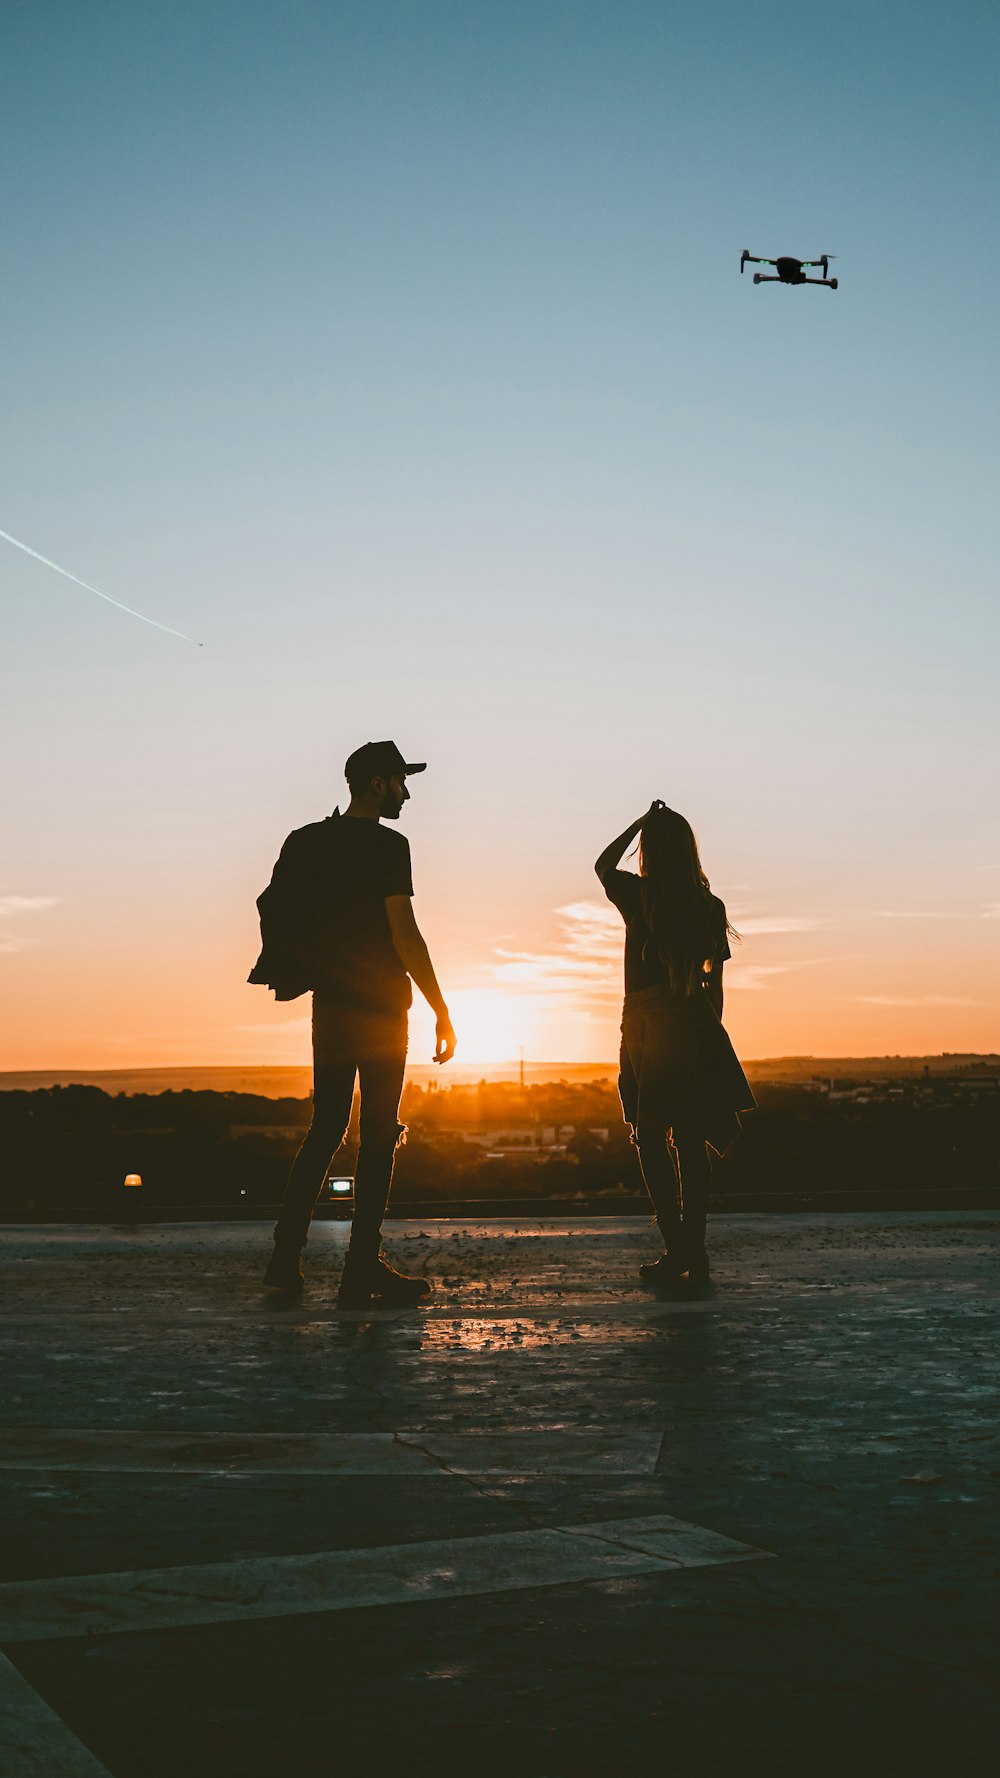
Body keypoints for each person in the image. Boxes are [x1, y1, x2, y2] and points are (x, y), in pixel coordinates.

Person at [250, 740, 456, 1306]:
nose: (406, 792)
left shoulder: (307, 842)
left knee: (326, 1128)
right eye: (399, 781)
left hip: (333, 1003)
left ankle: (283, 1263)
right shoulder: (390, 846)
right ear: (375, 784)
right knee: (378, 1134)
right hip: (384, 1005)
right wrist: (440, 1007)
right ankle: (360, 1269)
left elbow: (273, 904)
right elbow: (404, 933)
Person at [595, 801, 755, 1285]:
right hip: (697, 1024)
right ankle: (692, 1251)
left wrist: (638, 822)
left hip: (648, 1026)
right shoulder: (710, 906)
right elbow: (718, 986)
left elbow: (603, 865)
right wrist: (710, 1036)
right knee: (690, 1139)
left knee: (650, 1138)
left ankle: (679, 1248)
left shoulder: (638, 894)